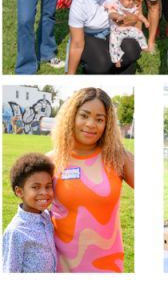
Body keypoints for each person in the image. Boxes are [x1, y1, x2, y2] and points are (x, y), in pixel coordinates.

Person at [47, 88, 135, 272]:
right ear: (71, 117)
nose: (91, 124)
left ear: (107, 124)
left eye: (99, 119)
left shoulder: (118, 158)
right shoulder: (50, 161)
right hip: (62, 268)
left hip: (107, 268)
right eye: (84, 115)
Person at [67, 0, 142, 75]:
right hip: (90, 36)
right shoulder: (79, 2)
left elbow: (133, 16)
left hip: (113, 31)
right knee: (101, 63)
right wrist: (70, 74)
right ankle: (96, 66)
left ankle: (118, 68)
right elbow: (76, 43)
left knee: (133, 49)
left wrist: (132, 19)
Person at [2, 153, 56, 273]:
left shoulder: (47, 217)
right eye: (36, 187)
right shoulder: (16, 232)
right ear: (19, 191)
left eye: (48, 186)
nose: (44, 192)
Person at [104, 0, 150, 67]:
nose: (131, 2)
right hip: (117, 31)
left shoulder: (132, 8)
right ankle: (116, 59)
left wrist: (145, 21)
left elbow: (139, 15)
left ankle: (143, 46)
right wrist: (118, 16)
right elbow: (111, 14)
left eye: (132, 0)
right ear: (120, 0)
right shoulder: (115, 6)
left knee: (139, 33)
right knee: (114, 44)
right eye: (129, 0)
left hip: (129, 29)